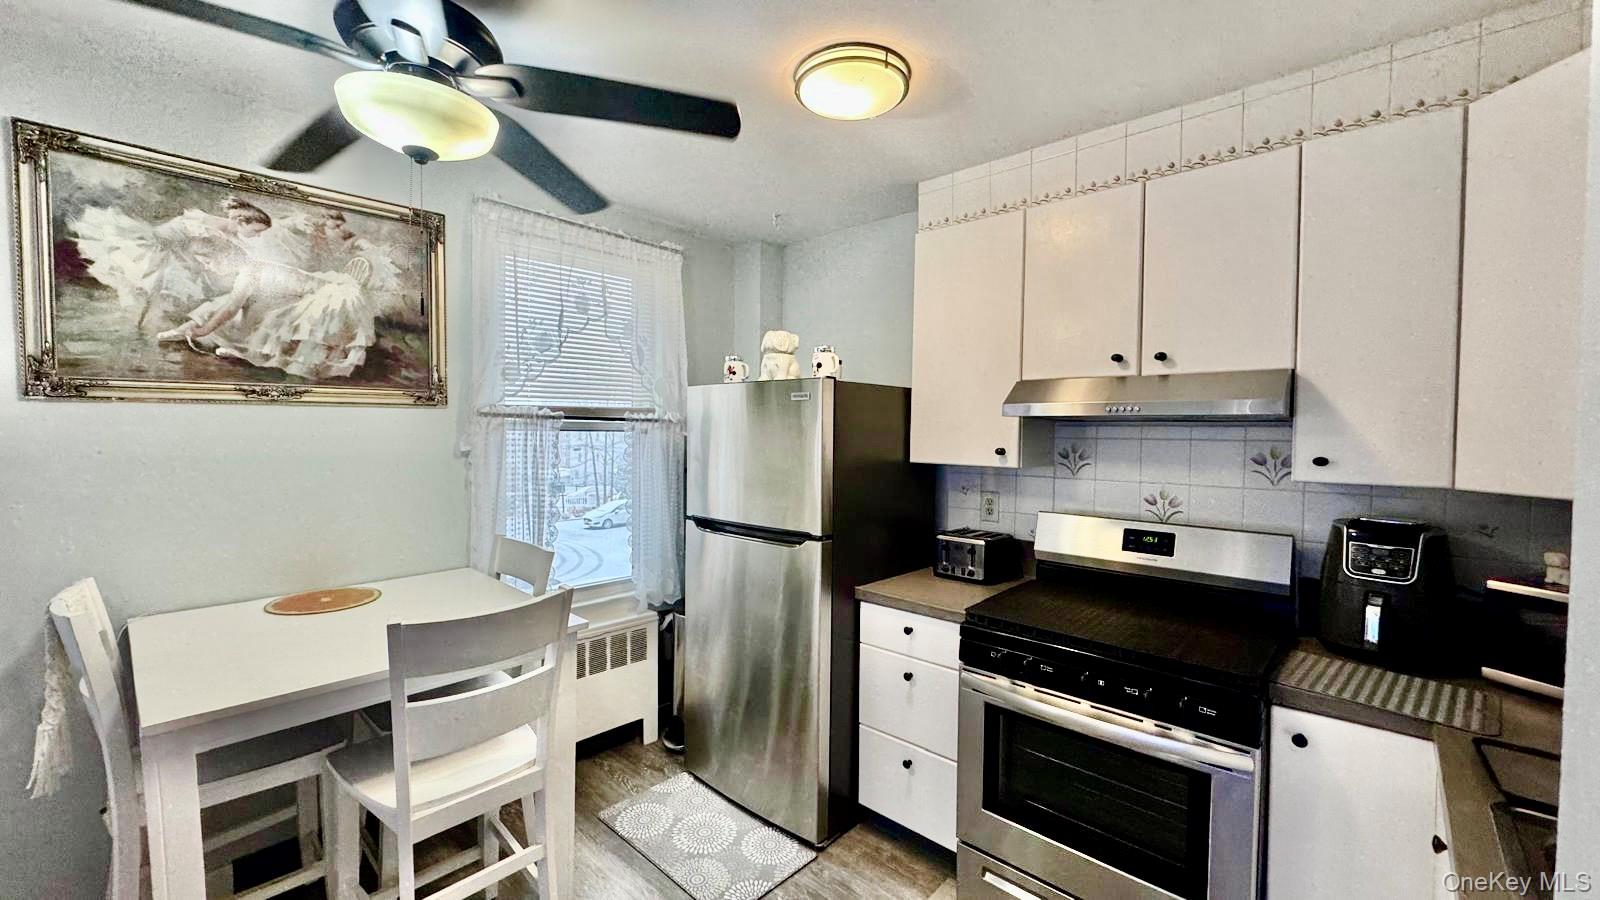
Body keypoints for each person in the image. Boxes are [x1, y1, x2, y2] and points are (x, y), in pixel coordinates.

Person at [69, 196, 273, 328]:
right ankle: (139, 322)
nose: (257, 236)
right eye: (256, 231)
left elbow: (237, 250)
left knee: (164, 289)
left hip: (177, 251)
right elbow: (185, 240)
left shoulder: (230, 233)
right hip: (159, 245)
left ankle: (145, 321)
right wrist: (197, 259)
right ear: (240, 221)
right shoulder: (209, 226)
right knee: (153, 285)